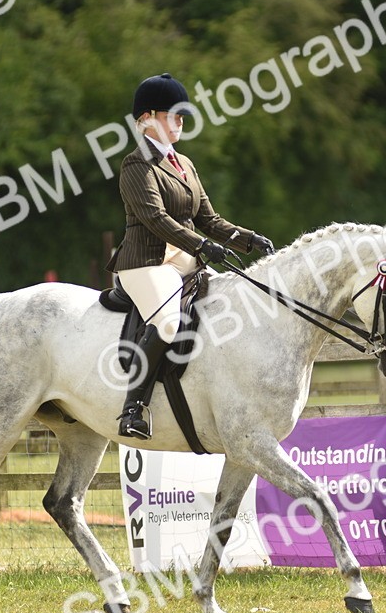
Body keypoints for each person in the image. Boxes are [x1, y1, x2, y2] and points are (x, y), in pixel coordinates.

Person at [106, 73, 275, 440]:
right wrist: (200, 246)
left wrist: (247, 239)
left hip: (185, 259)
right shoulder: (136, 165)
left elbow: (208, 219)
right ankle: (133, 409)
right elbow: (155, 218)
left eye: (182, 115)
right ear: (148, 118)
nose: (181, 121)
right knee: (168, 322)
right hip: (147, 262)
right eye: (173, 115)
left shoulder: (184, 163)